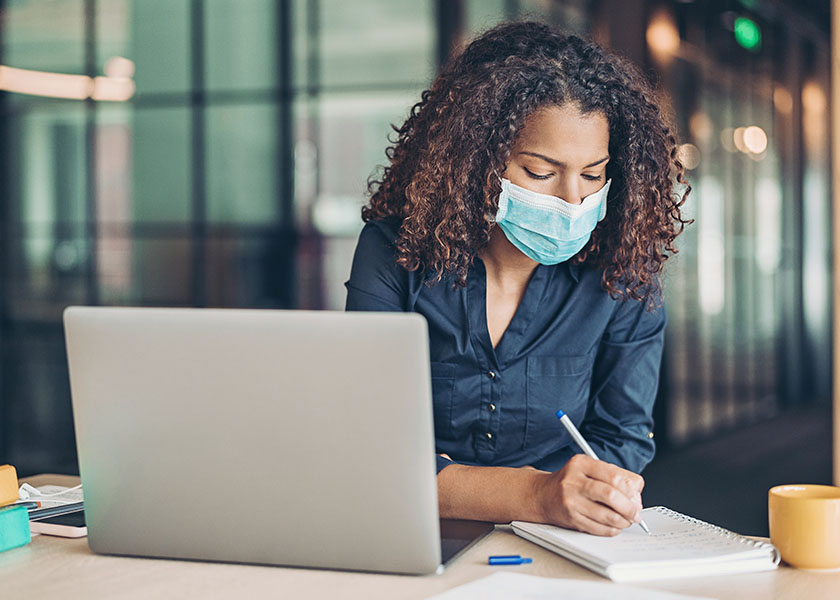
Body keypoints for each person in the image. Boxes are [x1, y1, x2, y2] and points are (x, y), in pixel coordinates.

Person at [345, 21, 690, 537]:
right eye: (540, 172)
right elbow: (371, 450)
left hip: (561, 542)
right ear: (476, 162)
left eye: (592, 174)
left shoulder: (623, 273)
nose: (573, 199)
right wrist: (537, 494)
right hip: (406, 533)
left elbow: (622, 442)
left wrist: (593, 495)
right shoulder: (394, 252)